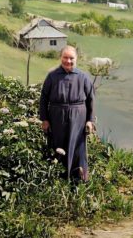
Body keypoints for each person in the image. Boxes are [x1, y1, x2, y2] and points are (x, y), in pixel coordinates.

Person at [39, 45, 95, 182]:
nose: (68, 61)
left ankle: (78, 178)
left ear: (76, 59)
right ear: (60, 58)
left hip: (78, 118)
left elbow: (91, 100)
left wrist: (90, 120)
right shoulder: (52, 76)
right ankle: (58, 177)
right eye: (65, 57)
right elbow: (44, 98)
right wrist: (44, 119)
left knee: (77, 147)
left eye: (71, 58)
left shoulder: (83, 77)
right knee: (57, 145)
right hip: (57, 116)